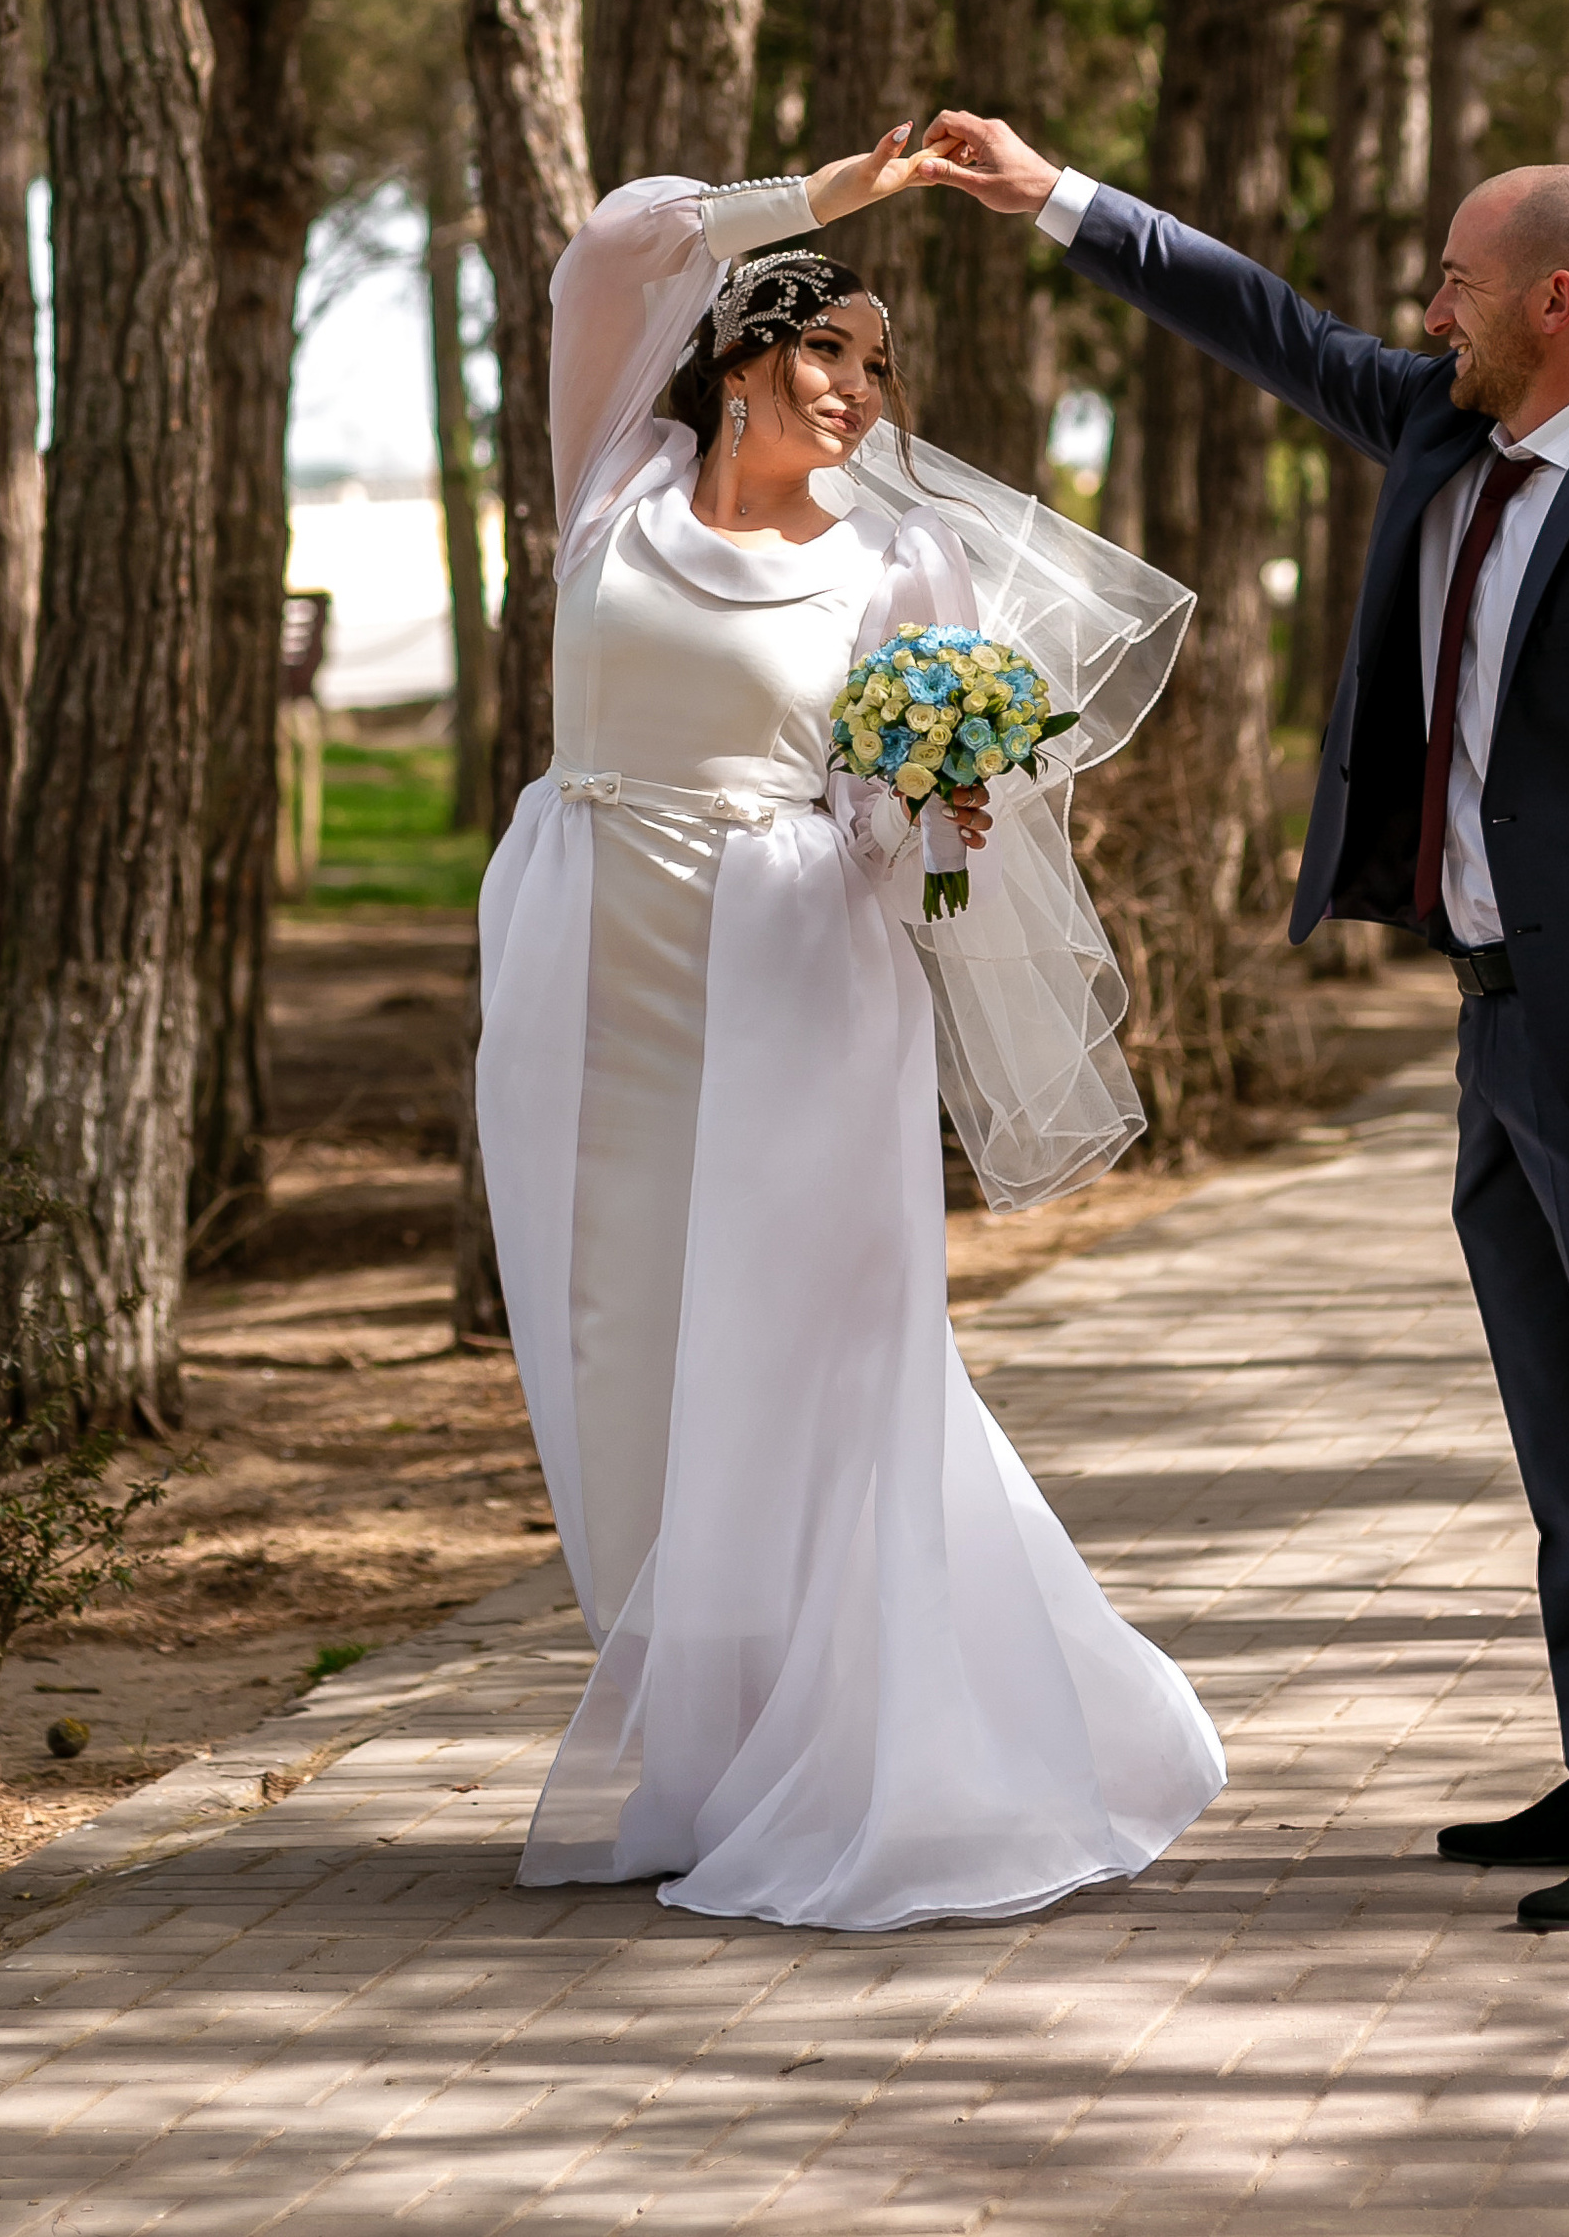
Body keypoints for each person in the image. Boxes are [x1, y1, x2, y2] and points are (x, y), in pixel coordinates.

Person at [919, 115, 1569, 1936]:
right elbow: (1267, 320)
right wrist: (1063, 198)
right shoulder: (1437, 431)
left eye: (1459, 284)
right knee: (1568, 1434)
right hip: (1491, 1029)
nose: (1426, 310)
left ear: (1556, 302)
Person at [475, 132, 1224, 1931]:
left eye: (879, 371)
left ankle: (875, 1742)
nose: (862, 393)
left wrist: (930, 813)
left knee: (817, 1355)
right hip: (587, 965)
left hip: (799, 982)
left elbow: (919, 846)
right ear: (740, 352)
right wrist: (817, 198)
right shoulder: (614, 484)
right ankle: (714, 1755)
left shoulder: (894, 568)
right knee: (620, 1347)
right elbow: (605, 258)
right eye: (834, 351)